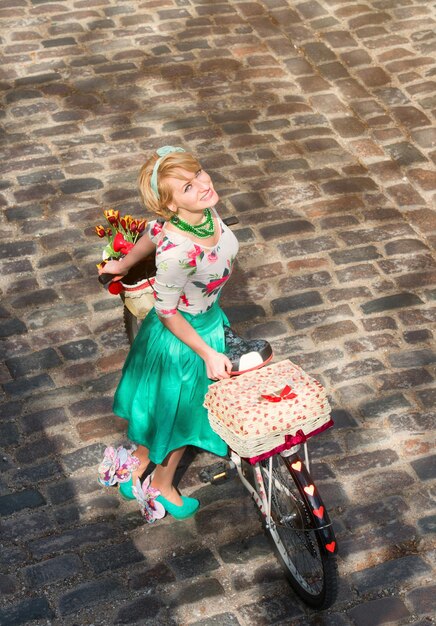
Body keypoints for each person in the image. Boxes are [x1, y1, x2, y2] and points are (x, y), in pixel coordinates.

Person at [99, 146, 239, 520]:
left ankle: (136, 469)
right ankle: (161, 485)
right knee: (183, 418)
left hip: (207, 321)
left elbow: (152, 230)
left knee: (163, 412)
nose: (203, 187)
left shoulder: (203, 212)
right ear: (172, 205)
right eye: (188, 188)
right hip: (184, 342)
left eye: (199, 175)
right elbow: (165, 310)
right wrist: (208, 353)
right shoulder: (178, 252)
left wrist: (125, 262)